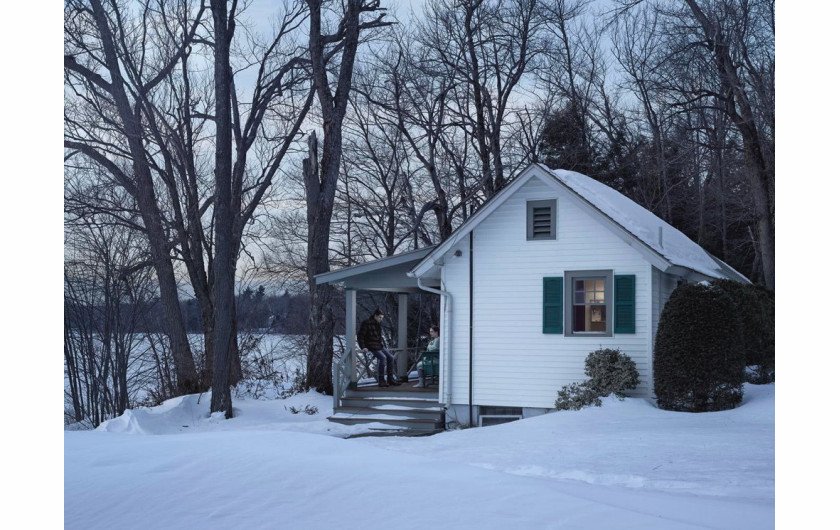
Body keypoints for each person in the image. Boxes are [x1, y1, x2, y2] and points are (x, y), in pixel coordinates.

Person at [357, 309, 400, 387]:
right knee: (382, 358)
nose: (381, 319)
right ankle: (381, 380)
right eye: (380, 317)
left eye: (382, 317)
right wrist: (363, 347)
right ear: (375, 316)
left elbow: (379, 337)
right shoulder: (366, 323)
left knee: (391, 357)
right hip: (371, 345)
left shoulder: (378, 324)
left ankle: (390, 379)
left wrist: (381, 344)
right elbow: (360, 336)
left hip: (379, 345)